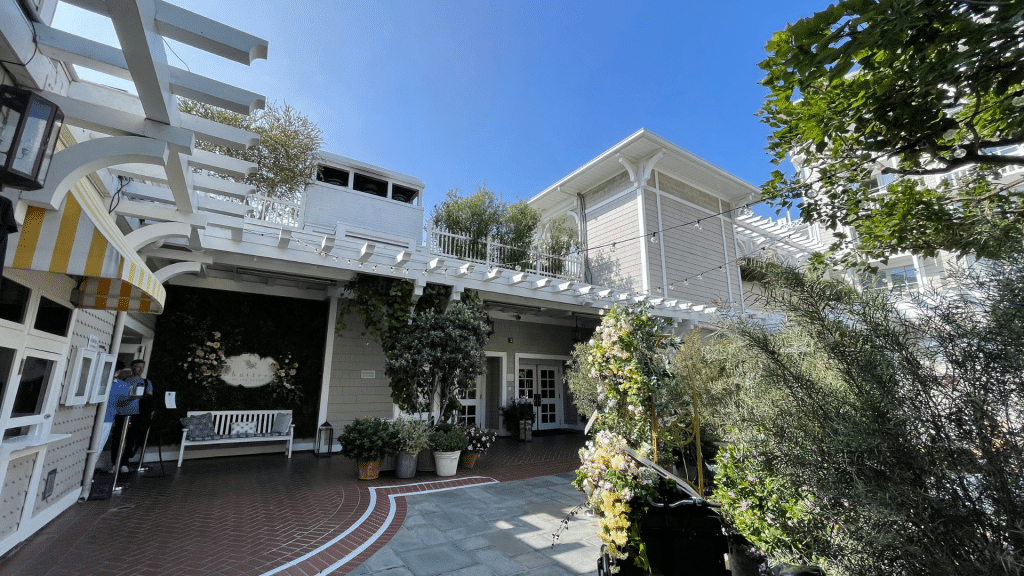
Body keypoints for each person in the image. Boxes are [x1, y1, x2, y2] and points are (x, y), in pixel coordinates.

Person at [108, 359, 154, 473]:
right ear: (132, 367)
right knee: (117, 438)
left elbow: (149, 397)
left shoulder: (146, 382)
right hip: (121, 412)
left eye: (142, 367)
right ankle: (115, 463)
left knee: (130, 438)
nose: (141, 369)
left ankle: (124, 462)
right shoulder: (123, 381)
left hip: (137, 413)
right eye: (138, 367)